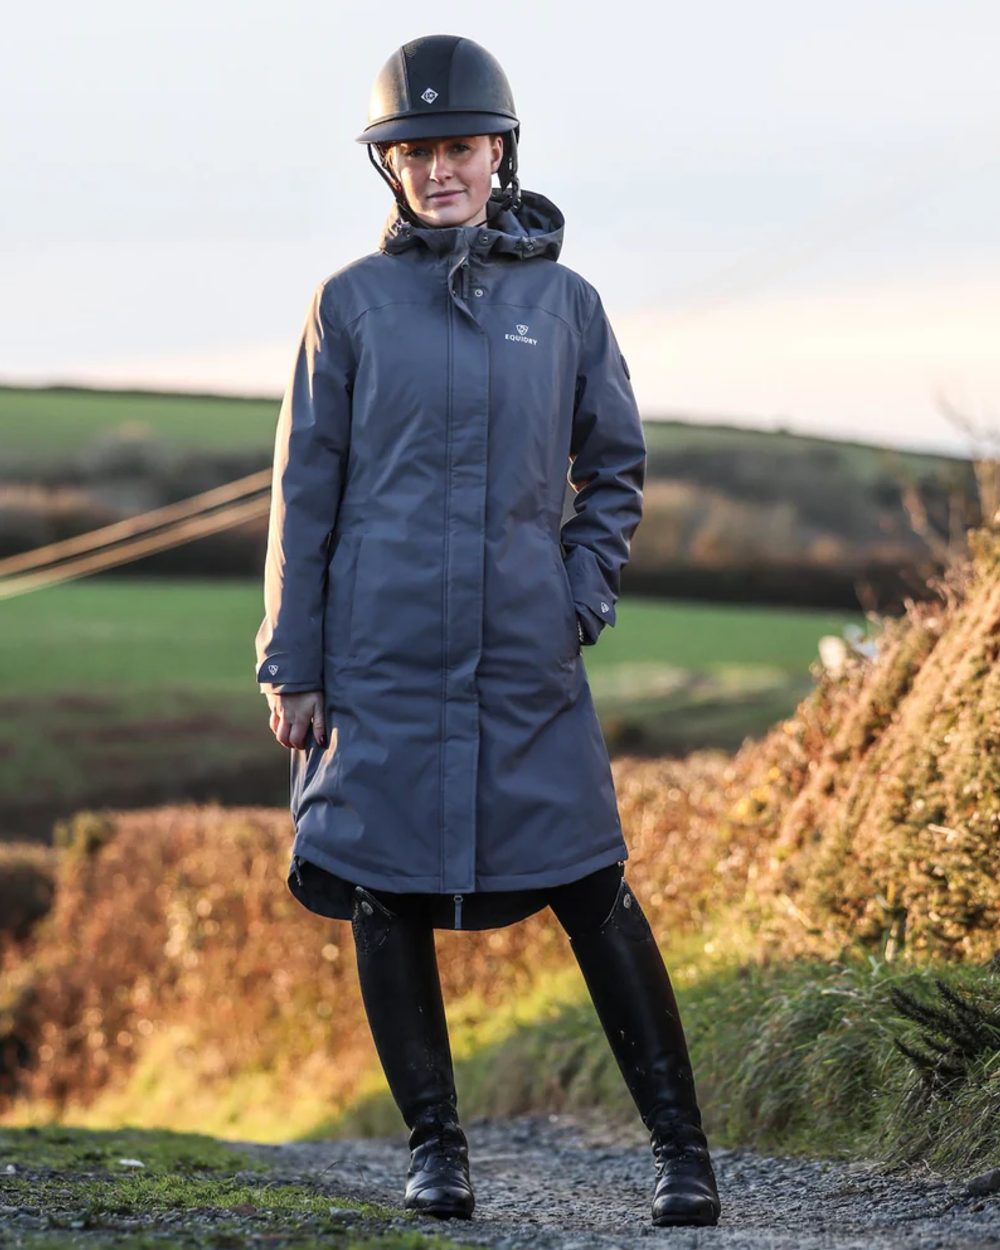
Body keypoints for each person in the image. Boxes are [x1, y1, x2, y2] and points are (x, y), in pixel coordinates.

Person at [254, 33, 722, 1229]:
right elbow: (303, 494)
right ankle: (435, 1148)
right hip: (379, 658)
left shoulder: (565, 303)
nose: (439, 167)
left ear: (499, 151)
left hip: (525, 656)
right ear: (390, 169)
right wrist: (292, 664)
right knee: (377, 883)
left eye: (458, 145)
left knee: (592, 881)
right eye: (413, 151)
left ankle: (683, 1154)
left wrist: (576, 593)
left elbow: (611, 466)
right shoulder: (347, 305)